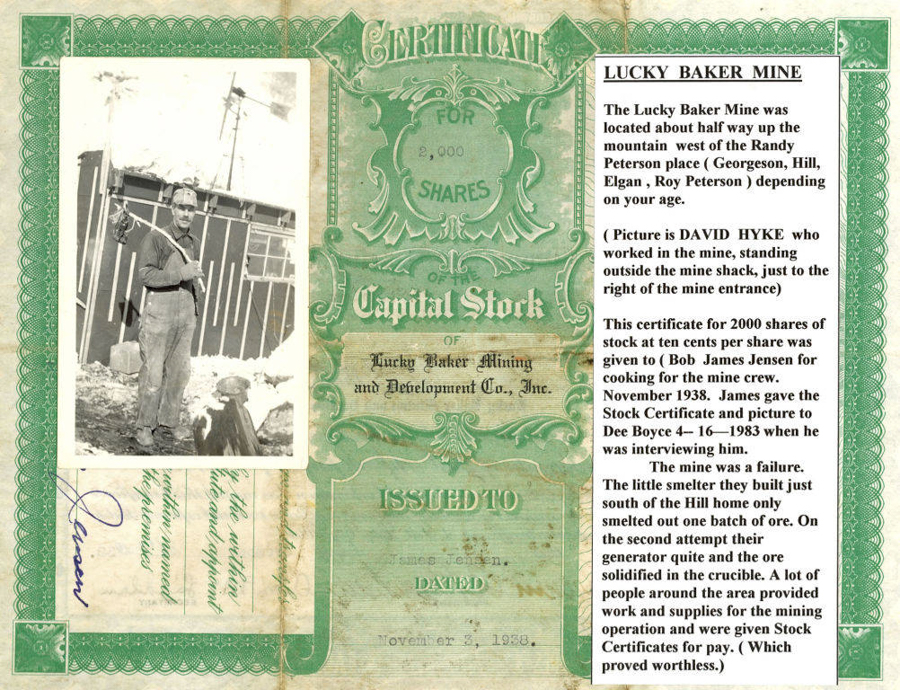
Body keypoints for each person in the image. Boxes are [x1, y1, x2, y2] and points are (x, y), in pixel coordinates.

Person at [134, 187, 205, 447]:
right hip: (159, 316)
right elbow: (146, 275)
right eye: (181, 207)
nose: (186, 213)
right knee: (153, 375)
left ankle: (169, 421)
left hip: (184, 317)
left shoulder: (194, 243)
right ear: (172, 208)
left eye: (191, 208)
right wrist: (181, 274)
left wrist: (193, 310)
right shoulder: (157, 238)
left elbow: (190, 277)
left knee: (179, 374)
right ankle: (144, 426)